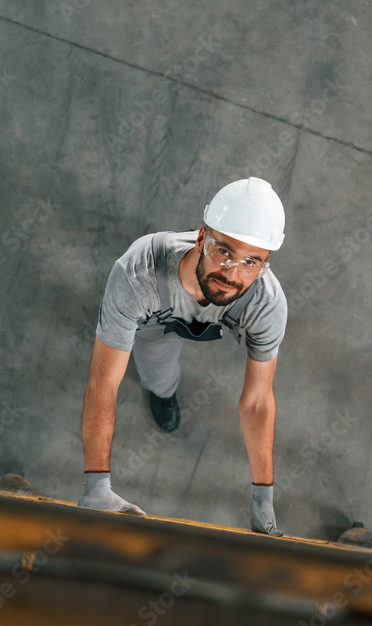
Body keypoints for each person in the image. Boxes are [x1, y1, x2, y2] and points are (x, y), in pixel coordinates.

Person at [78, 177, 288, 536]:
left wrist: (263, 496)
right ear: (203, 237)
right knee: (158, 373)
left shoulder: (266, 303)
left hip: (210, 319)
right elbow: (104, 380)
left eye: (251, 262)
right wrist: (96, 486)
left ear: (265, 264)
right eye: (224, 252)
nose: (232, 274)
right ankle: (161, 392)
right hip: (154, 322)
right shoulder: (139, 273)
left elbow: (256, 402)